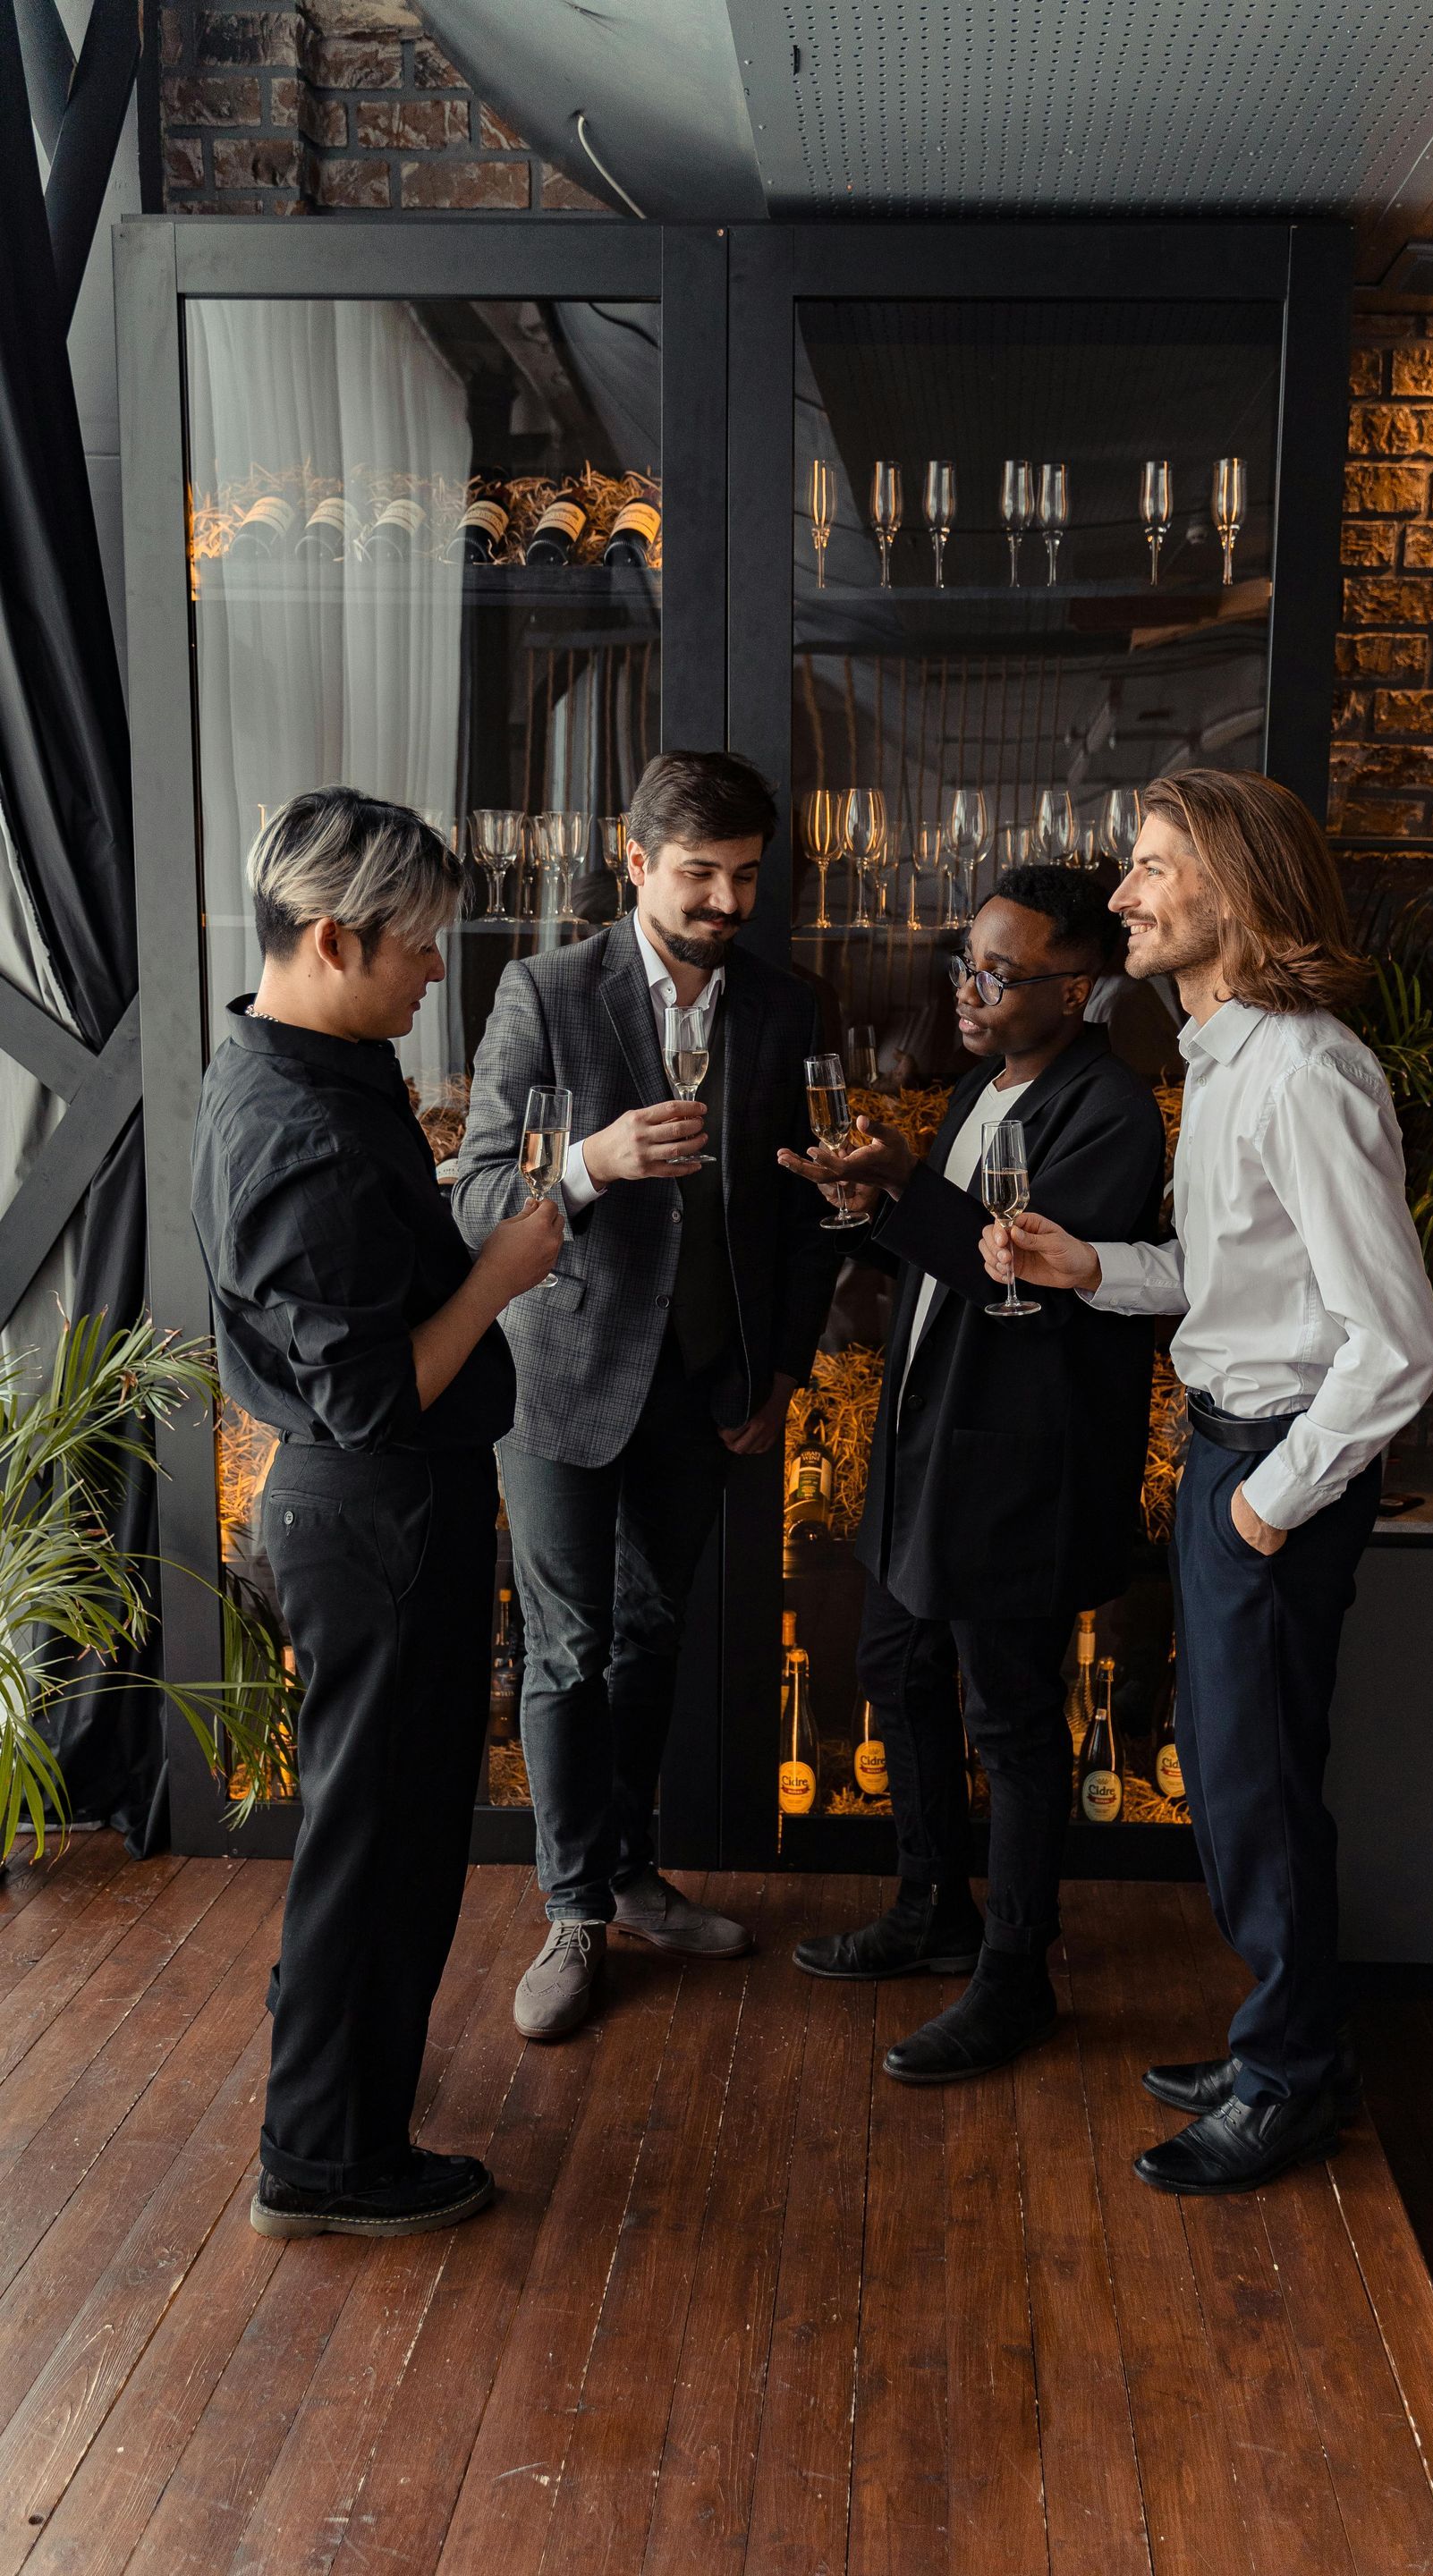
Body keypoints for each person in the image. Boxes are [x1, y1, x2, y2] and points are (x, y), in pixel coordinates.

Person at [981, 772, 1433, 2192]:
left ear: (1233, 892)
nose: (1123, 894)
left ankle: (1289, 2080)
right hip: (1227, 1454)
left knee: (1253, 1788)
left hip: (1273, 1472)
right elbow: (1237, 1281)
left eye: (1153, 866)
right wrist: (1089, 1265)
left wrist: (1263, 1506)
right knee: (1239, 1774)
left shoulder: (1306, 1074)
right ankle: (1287, 2048)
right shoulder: (1226, 1058)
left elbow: (1398, 1341)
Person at [191, 788, 563, 2241]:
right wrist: (501, 1274)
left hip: (371, 1510)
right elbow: (373, 1395)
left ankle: (336, 2101)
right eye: (416, 948)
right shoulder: (304, 1133)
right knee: (380, 1845)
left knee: (378, 1830)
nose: (433, 973)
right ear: (334, 939)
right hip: (376, 1513)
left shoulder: (296, 1064)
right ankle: (325, 2159)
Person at [455, 750, 837, 2040]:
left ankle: (628, 1875)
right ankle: (572, 1910)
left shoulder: (786, 1006)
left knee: (652, 1631)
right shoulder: (546, 992)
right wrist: (590, 1164)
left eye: (746, 877)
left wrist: (781, 1369)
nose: (726, 902)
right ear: (634, 862)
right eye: (698, 875)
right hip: (560, 1375)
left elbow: (801, 1219)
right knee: (567, 1648)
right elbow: (477, 1197)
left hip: (706, 1384)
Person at [780, 867, 1164, 2082]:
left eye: (1000, 976)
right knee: (895, 1669)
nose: (969, 991)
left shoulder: (1109, 1111)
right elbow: (947, 1259)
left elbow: (1022, 1280)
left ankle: (1015, 1975)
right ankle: (930, 1907)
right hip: (924, 1447)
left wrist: (906, 1187)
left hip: (1016, 1471)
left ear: (1079, 988)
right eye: (967, 966)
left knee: (1011, 1718)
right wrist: (877, 1201)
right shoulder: (975, 1090)